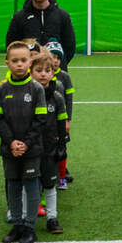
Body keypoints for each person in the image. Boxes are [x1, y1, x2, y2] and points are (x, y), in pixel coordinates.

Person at [0, 41, 47, 243]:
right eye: (15, 61)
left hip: (31, 149)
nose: (19, 64)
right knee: (13, 185)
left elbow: (40, 119)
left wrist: (26, 143)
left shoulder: (36, 89)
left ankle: (29, 227)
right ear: (7, 63)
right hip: (10, 149)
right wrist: (11, 142)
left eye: (24, 60)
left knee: (32, 186)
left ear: (30, 62)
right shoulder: (1, 89)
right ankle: (16, 225)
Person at [32, 52, 67, 234]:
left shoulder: (57, 97)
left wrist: (61, 146)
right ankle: (27, 219)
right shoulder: (29, 96)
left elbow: (61, 124)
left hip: (49, 150)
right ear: (31, 72)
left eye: (48, 70)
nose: (43, 74)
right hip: (31, 149)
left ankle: (52, 218)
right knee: (30, 185)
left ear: (53, 73)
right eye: (39, 70)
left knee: (50, 185)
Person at [6, 0, 76, 64]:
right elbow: (11, 45)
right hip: (28, 69)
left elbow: (70, 45)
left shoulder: (62, 15)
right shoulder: (19, 17)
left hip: (56, 68)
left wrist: (59, 63)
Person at [46, 40, 73, 187]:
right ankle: (49, 175)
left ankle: (62, 177)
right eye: (52, 57)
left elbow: (69, 100)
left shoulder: (65, 77)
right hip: (47, 120)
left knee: (62, 148)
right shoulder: (41, 76)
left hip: (61, 120)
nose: (55, 61)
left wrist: (67, 119)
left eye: (58, 58)